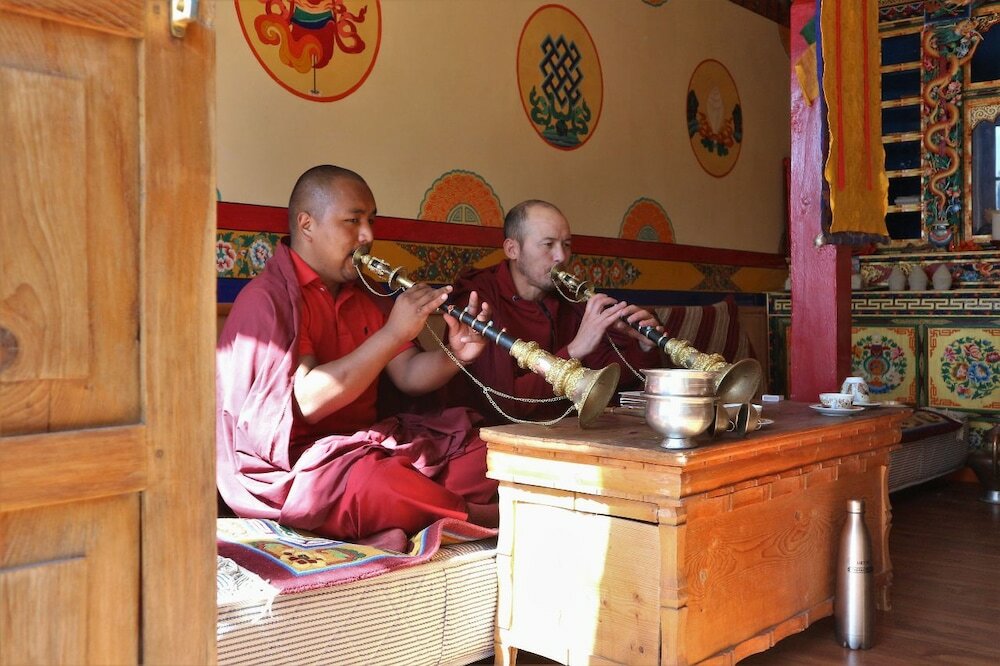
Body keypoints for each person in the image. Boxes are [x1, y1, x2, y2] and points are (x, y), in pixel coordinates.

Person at [216, 165, 498, 544]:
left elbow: (408, 374)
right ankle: (481, 520)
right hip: (302, 467)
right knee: (380, 483)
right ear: (307, 224)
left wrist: (455, 355)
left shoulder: (364, 295)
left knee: (484, 454)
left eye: (371, 221)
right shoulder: (271, 300)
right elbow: (308, 401)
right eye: (353, 221)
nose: (368, 236)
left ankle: (418, 516)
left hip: (369, 446)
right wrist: (392, 333)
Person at [446, 199, 663, 424]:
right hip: (499, 432)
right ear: (512, 249)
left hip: (566, 426)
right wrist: (575, 349)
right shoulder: (479, 301)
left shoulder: (566, 299)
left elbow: (607, 383)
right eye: (548, 244)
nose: (561, 257)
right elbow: (507, 403)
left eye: (566, 244)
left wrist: (643, 348)